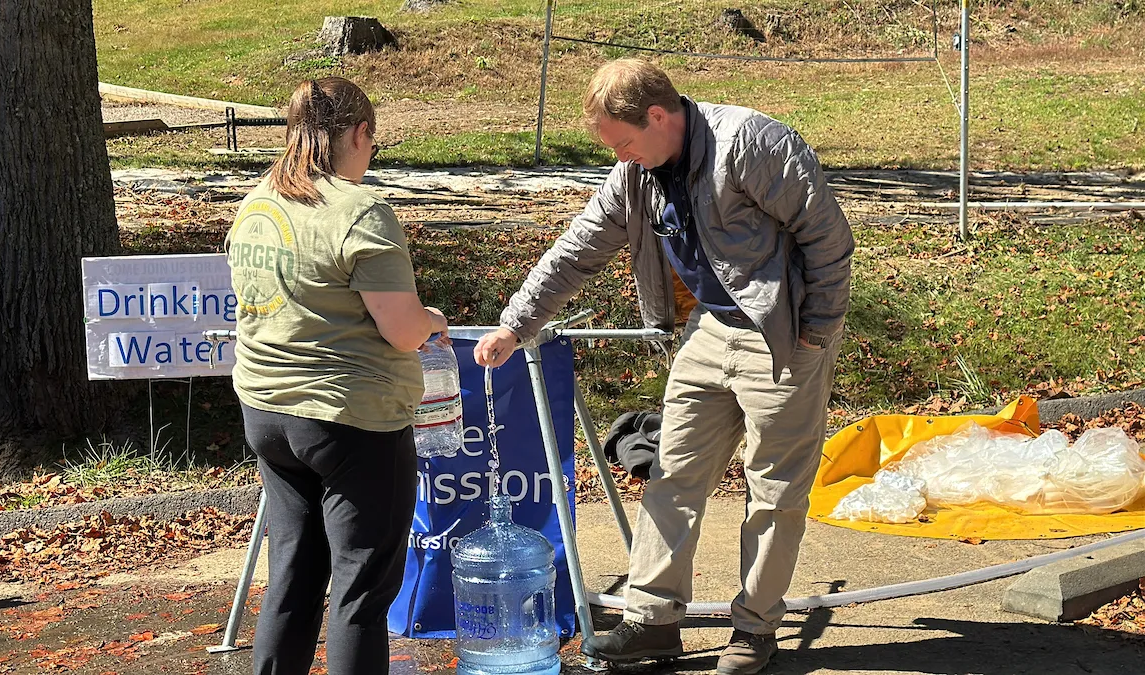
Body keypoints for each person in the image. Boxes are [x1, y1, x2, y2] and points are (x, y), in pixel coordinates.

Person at [474, 59, 854, 674]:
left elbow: (828, 238)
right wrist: (518, 324)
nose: (620, 158)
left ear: (658, 116)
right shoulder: (634, 171)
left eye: (624, 143)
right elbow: (580, 247)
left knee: (775, 493)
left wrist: (815, 333)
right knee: (672, 475)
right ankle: (651, 621)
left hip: (782, 336)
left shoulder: (752, 143)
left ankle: (754, 632)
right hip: (707, 333)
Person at [226, 77, 448, 675]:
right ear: (360, 134)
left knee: (293, 575)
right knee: (361, 589)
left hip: (267, 411)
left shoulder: (259, 201)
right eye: (371, 143)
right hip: (350, 418)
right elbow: (402, 329)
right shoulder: (360, 210)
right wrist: (433, 319)